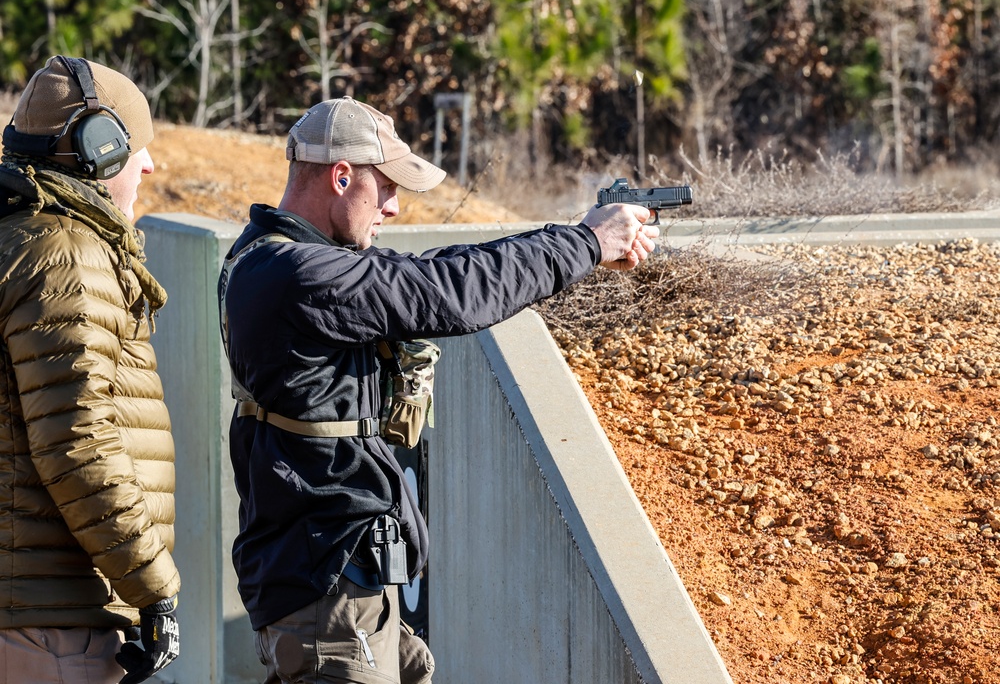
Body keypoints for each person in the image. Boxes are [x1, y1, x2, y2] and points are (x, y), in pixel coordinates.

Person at [218, 96, 658, 684]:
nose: (394, 208)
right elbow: (447, 291)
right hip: (326, 591)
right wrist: (584, 243)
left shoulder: (273, 257)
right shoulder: (298, 275)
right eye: (387, 188)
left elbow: (436, 269)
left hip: (333, 582)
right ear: (341, 177)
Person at [0, 56, 181, 684]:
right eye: (137, 149)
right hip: (50, 632)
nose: (151, 166)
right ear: (96, 150)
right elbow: (77, 438)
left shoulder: (20, 238)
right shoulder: (65, 257)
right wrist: (153, 584)